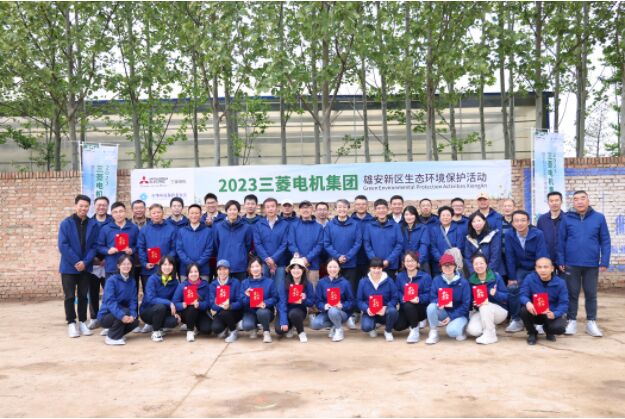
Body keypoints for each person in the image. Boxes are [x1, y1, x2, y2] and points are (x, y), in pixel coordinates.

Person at [557, 190, 611, 337]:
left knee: (591, 294)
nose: (579, 201)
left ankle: (591, 322)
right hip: (571, 263)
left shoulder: (599, 218)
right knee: (572, 293)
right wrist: (561, 260)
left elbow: (605, 241)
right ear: (573, 202)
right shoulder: (566, 219)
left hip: (591, 264)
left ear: (588, 200)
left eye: (582, 198)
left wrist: (604, 260)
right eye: (576, 199)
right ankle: (572, 320)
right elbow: (560, 241)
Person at [58, 194, 99, 338]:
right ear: (76, 206)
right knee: (69, 296)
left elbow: (94, 246)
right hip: (69, 267)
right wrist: (77, 261)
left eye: (86, 206)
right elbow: (63, 245)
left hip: (85, 267)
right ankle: (71, 322)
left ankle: (82, 322)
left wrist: (85, 262)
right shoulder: (66, 223)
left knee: (83, 296)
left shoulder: (93, 224)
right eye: (81, 206)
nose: (83, 208)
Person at [96, 201, 139, 334]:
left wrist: (131, 250)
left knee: (129, 294)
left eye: (121, 211)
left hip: (128, 267)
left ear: (125, 212)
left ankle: (130, 318)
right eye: (115, 212)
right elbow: (99, 246)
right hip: (111, 267)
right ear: (112, 214)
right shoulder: (106, 228)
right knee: (111, 296)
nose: (118, 214)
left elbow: (138, 246)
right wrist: (108, 251)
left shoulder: (133, 228)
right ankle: (110, 323)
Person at [504, 210, 549, 333]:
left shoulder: (538, 234)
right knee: (513, 288)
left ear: (528, 222)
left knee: (539, 287)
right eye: (516, 221)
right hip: (521, 268)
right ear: (512, 223)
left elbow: (541, 254)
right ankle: (516, 319)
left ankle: (540, 321)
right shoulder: (509, 235)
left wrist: (540, 273)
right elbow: (509, 256)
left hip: (536, 268)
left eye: (523, 220)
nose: (520, 223)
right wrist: (512, 277)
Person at [323, 199, 362, 321]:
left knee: (350, 289)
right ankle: (334, 315)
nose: (342, 209)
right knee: (334, 289)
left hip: (351, 263)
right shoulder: (330, 225)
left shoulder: (355, 224)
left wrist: (347, 256)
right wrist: (337, 256)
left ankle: (350, 315)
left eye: (345, 207)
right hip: (334, 265)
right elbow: (327, 243)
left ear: (348, 209)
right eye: (339, 207)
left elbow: (358, 242)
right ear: (335, 209)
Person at [520, 257, 569, 345]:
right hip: (535, 312)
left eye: (546, 267)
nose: (542, 270)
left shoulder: (560, 283)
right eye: (539, 267)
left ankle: (548, 330)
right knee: (523, 310)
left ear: (552, 268)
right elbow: (522, 294)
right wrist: (528, 302)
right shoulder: (530, 279)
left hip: (550, 313)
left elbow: (564, 303)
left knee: (560, 328)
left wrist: (555, 314)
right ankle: (532, 333)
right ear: (536, 269)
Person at [425, 254, 471, 344]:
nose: (448, 267)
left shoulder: (463, 282)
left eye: (450, 265)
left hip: (460, 314)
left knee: (452, 332)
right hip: (444, 312)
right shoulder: (437, 280)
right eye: (444, 265)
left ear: (454, 266)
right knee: (431, 307)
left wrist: (451, 317)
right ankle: (434, 332)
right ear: (441, 267)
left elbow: (466, 305)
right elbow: (432, 298)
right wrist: (438, 302)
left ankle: (462, 328)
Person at [466, 255, 509, 344]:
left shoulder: (495, 277)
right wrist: (474, 303)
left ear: (486, 264)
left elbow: (507, 297)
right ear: (473, 266)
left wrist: (496, 294)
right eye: (476, 264)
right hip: (481, 311)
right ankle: (489, 327)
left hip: (499, 311)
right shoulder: (471, 280)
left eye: (481, 263)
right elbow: (469, 300)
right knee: (473, 331)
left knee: (485, 305)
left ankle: (491, 335)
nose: (479, 266)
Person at [97, 254, 139, 345]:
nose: (126, 266)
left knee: (135, 322)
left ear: (131, 266)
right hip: (106, 315)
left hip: (122, 312)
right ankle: (111, 337)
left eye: (128, 264)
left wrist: (133, 314)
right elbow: (110, 301)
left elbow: (133, 300)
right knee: (125, 312)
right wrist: (121, 315)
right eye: (123, 264)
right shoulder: (112, 280)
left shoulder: (132, 281)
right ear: (118, 266)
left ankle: (117, 333)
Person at [310, 258, 356, 342]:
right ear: (326, 268)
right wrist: (324, 306)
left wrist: (342, 305)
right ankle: (334, 325)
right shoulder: (321, 282)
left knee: (333, 310)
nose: (332, 269)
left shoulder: (345, 283)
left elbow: (351, 301)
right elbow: (317, 301)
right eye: (330, 267)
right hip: (327, 312)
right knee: (315, 324)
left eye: (335, 267)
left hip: (341, 312)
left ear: (339, 268)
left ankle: (339, 330)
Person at [137, 203, 177, 295]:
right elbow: (141, 248)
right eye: (153, 213)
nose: (156, 215)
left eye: (158, 212)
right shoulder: (144, 229)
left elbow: (174, 248)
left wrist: (165, 262)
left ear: (163, 213)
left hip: (166, 269)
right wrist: (145, 263)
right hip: (149, 269)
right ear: (150, 214)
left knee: (167, 294)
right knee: (149, 295)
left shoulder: (171, 229)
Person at [356, 257, 399, 342]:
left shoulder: (389, 281)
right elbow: (359, 300)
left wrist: (386, 307)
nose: (376, 270)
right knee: (366, 327)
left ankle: (388, 331)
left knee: (392, 311)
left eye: (379, 268)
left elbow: (395, 298)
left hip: (385, 312)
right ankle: (372, 327)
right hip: (370, 312)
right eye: (374, 268)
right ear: (370, 268)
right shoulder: (363, 282)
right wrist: (367, 309)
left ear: (382, 268)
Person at [139, 256, 180, 342]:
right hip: (148, 311)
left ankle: (158, 326)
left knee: (174, 321)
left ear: (173, 267)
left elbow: (175, 299)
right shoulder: (152, 279)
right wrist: (168, 303)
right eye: (164, 264)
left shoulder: (175, 282)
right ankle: (156, 331)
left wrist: (176, 312)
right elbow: (150, 299)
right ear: (160, 266)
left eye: (170, 264)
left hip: (164, 311)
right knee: (160, 306)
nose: (167, 267)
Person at [394, 251, 432, 344]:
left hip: (420, 307)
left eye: (412, 261)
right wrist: (402, 297)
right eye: (407, 261)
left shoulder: (425, 277)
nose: (410, 263)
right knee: (398, 326)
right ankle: (413, 321)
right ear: (404, 263)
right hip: (405, 307)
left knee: (409, 304)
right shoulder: (400, 276)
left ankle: (415, 329)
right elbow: (396, 291)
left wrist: (419, 299)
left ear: (417, 262)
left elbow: (429, 294)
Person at [275, 257, 316, 342]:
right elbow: (282, 303)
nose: (296, 270)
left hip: (299, 310)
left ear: (303, 270)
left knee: (294, 314)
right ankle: (290, 326)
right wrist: (284, 322)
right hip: (285, 309)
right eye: (293, 268)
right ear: (290, 270)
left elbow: (311, 302)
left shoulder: (308, 284)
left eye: (299, 268)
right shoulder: (284, 284)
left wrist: (304, 299)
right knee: (279, 330)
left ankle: (301, 332)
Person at [253, 197, 290, 290]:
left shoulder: (285, 224)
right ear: (264, 209)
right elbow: (258, 244)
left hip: (280, 263)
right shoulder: (258, 224)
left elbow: (284, 244)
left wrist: (273, 259)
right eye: (268, 207)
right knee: (264, 289)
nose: (270, 209)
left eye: (273, 206)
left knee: (279, 289)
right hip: (264, 263)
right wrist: (267, 259)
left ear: (277, 208)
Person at [240, 257, 278, 343]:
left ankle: (266, 332)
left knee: (262, 312)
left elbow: (275, 298)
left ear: (261, 267)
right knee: (247, 326)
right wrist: (247, 296)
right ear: (249, 269)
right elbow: (242, 302)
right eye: (252, 267)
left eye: (257, 266)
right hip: (250, 312)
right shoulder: (245, 283)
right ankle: (254, 327)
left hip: (265, 312)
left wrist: (265, 303)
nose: (255, 269)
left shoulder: (269, 282)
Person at [363, 199, 403, 278]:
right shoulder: (369, 226)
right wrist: (375, 260)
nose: (381, 211)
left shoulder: (395, 226)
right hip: (375, 266)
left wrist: (389, 260)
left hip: (391, 265)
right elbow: (367, 244)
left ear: (388, 210)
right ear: (375, 211)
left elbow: (399, 244)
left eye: (383, 208)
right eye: (378, 208)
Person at [213, 200, 253, 281]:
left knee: (240, 288)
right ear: (226, 211)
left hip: (240, 266)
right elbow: (216, 245)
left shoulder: (246, 227)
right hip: (223, 265)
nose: (232, 212)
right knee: (224, 288)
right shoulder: (218, 227)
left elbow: (248, 245)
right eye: (230, 210)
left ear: (238, 211)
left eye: (235, 209)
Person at [288, 201, 324, 288]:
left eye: (307, 207)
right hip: (297, 265)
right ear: (299, 210)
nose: (305, 210)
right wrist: (298, 256)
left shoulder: (319, 227)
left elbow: (320, 245)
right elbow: (291, 243)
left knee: (313, 289)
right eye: (303, 208)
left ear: (312, 209)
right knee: (297, 291)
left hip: (313, 265)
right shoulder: (293, 226)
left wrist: (307, 258)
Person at [173, 263, 212, 342]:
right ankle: (190, 331)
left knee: (207, 329)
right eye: (191, 272)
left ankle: (196, 326)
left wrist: (199, 304)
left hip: (201, 312)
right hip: (187, 312)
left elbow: (208, 303)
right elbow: (175, 302)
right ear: (187, 274)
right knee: (191, 308)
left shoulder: (205, 285)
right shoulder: (182, 285)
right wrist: (182, 305)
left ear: (199, 273)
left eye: (196, 271)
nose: (193, 274)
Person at [89, 196, 112, 329]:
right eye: (99, 205)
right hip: (93, 263)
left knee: (109, 292)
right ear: (94, 206)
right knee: (92, 291)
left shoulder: (113, 221)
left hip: (109, 262)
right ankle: (94, 318)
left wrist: (106, 258)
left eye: (104, 205)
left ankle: (107, 317)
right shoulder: (89, 222)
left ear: (107, 206)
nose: (101, 207)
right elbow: (87, 243)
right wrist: (94, 259)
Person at [209, 260, 243, 343]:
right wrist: (218, 305)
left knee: (225, 312)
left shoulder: (235, 282)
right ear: (217, 271)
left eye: (225, 269)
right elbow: (212, 304)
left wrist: (230, 306)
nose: (222, 272)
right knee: (216, 328)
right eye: (220, 269)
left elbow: (240, 302)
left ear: (229, 270)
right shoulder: (213, 284)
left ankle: (233, 331)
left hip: (234, 312)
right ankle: (227, 326)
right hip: (220, 312)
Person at [176, 204, 213, 280]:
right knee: (186, 288)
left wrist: (198, 264)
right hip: (185, 270)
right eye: (192, 213)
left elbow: (209, 250)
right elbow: (179, 250)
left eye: (196, 213)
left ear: (200, 215)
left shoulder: (208, 231)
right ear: (188, 215)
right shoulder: (181, 231)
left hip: (203, 270)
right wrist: (190, 264)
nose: (194, 215)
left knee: (203, 288)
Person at [429, 206, 465, 276]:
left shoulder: (458, 229)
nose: (445, 217)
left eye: (448, 215)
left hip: (453, 265)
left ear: (452, 217)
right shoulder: (434, 230)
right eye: (443, 215)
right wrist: (441, 260)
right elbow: (433, 247)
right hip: (438, 265)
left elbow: (459, 247)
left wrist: (450, 261)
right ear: (439, 217)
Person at [536, 191, 564, 268]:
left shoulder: (567, 218)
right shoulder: (542, 219)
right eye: (551, 201)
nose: (554, 203)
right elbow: (538, 239)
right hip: (546, 258)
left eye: (557, 200)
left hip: (564, 259)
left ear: (561, 202)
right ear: (548, 202)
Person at [351, 195, 373, 283]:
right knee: (354, 285)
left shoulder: (373, 221)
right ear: (354, 206)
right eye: (358, 204)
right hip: (353, 260)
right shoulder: (350, 221)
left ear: (367, 205)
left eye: (363, 204)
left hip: (370, 259)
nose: (361, 206)